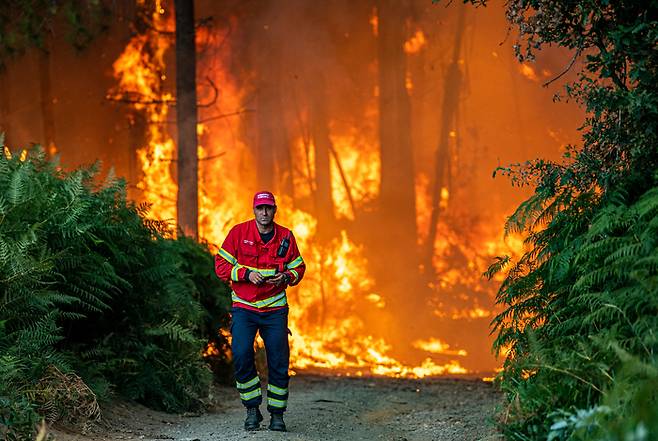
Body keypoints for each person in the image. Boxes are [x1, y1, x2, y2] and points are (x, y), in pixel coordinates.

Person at [214, 191, 306, 432]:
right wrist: (245, 274)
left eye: (269, 208)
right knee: (242, 353)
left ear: (275, 210)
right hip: (244, 308)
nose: (264, 213)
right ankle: (252, 409)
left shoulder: (286, 236)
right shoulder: (238, 233)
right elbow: (221, 265)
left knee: (278, 360)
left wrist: (286, 276)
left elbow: (299, 267)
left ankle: (277, 415)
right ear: (253, 210)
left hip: (275, 309)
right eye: (260, 208)